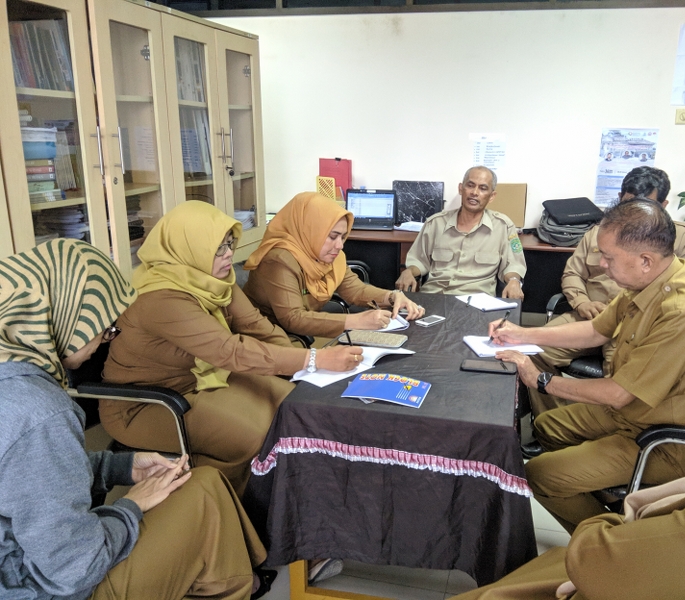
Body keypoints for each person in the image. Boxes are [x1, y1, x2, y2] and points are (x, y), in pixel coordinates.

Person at [0, 239, 273, 600]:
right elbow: (76, 569)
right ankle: (235, 582)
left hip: (29, 565)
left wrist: (121, 467)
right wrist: (132, 504)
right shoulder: (41, 412)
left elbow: (25, 478)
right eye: (104, 327)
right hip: (43, 587)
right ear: (71, 317)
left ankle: (234, 583)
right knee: (203, 489)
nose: (105, 339)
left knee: (202, 486)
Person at [450, 354, 685, 600]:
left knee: (542, 479)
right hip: (637, 419)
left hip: (660, 436)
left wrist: (614, 526)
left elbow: (595, 557)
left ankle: (599, 504)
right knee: (551, 429)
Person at [491, 199, 685, 533]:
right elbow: (594, 330)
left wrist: (541, 380)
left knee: (540, 476)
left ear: (645, 260)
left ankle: (613, 543)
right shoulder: (646, 281)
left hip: (668, 438)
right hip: (634, 414)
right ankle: (609, 502)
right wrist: (522, 333)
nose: (601, 265)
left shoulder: (683, 310)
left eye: (608, 257)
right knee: (547, 427)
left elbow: (618, 394)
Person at [100, 201, 362, 496]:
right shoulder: (161, 298)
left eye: (229, 244)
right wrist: (314, 358)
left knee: (293, 403)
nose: (228, 255)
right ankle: (235, 503)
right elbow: (230, 350)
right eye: (218, 248)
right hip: (147, 403)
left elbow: (256, 326)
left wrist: (305, 367)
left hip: (206, 378)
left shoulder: (215, 279)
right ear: (190, 247)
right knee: (258, 437)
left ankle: (289, 496)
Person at [535, 167, 685, 411]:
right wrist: (582, 302)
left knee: (621, 385)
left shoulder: (682, 238)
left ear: (663, 205)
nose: (634, 215)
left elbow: (684, 293)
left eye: (644, 206)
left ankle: (604, 428)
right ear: (620, 198)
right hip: (590, 317)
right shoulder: (599, 233)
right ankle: (553, 418)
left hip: (638, 327)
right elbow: (573, 273)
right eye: (629, 204)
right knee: (532, 351)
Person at [243, 192, 425, 338]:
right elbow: (293, 318)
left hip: (304, 333)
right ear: (309, 230)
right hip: (268, 338)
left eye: (342, 237)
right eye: (332, 236)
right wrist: (356, 321)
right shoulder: (279, 260)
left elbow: (356, 290)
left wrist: (392, 296)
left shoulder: (328, 255)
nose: (340, 245)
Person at [395, 166, 526, 299]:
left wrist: (514, 281)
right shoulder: (435, 223)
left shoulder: (503, 226)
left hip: (477, 301)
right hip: (435, 297)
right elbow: (419, 261)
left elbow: (513, 265)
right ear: (460, 188)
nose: (474, 192)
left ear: (492, 196)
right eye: (470, 185)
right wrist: (409, 271)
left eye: (482, 188)